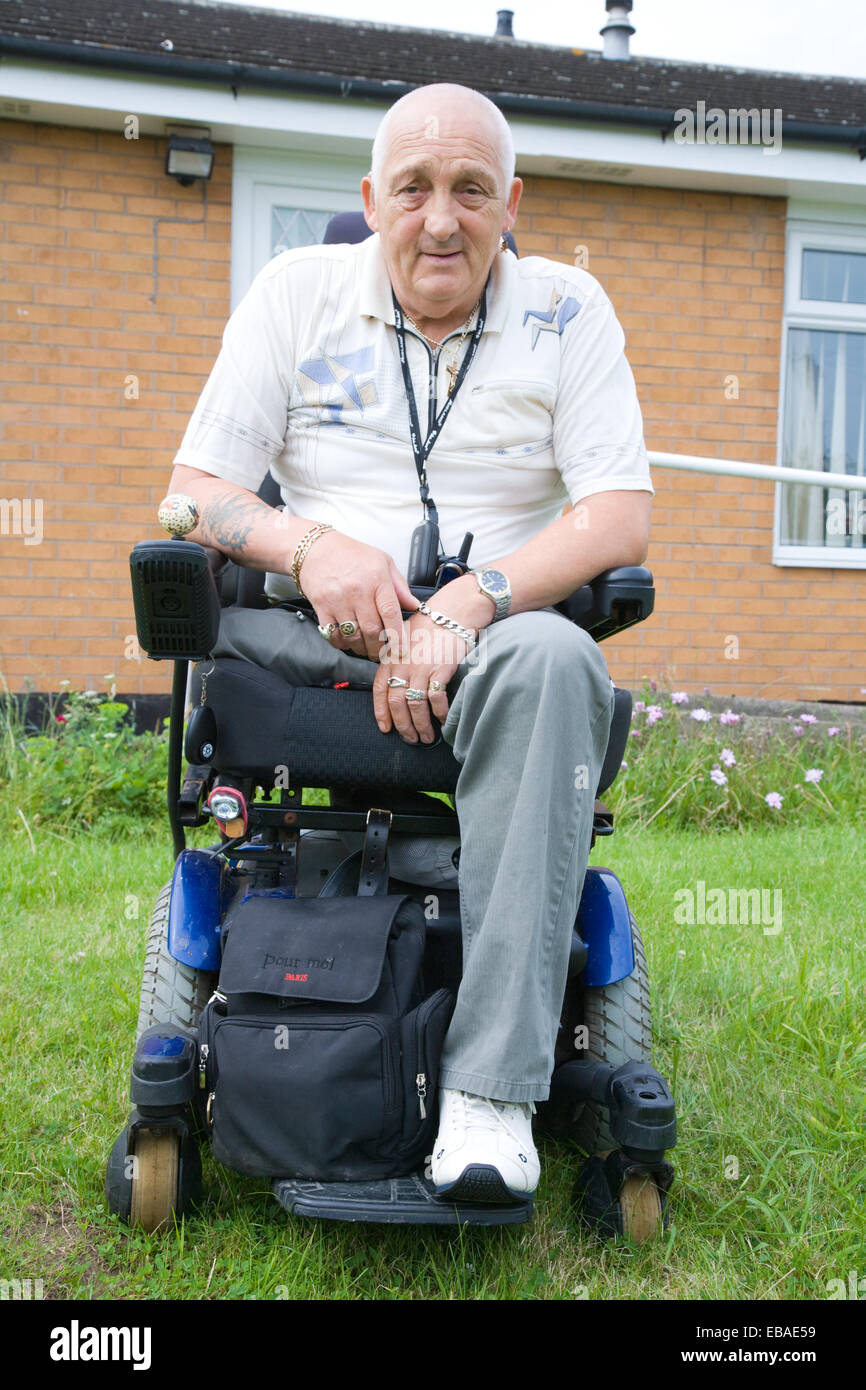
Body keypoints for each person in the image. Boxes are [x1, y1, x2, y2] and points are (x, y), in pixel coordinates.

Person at [166, 83, 653, 1204]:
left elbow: (616, 516)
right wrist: (307, 545)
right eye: (414, 189)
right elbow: (191, 499)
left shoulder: (567, 310)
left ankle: (488, 1096)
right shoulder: (296, 294)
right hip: (315, 637)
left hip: (498, 645)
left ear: (510, 202)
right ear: (369, 199)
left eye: (471, 190)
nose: (441, 219)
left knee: (555, 657)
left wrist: (467, 603)